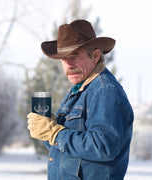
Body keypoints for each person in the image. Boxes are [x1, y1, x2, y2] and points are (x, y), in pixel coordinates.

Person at [27, 19, 134, 180]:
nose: (69, 64)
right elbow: (65, 149)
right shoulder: (80, 89)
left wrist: (56, 134)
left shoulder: (105, 91)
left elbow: (104, 146)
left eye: (75, 55)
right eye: (64, 58)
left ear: (96, 56)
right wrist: (47, 131)